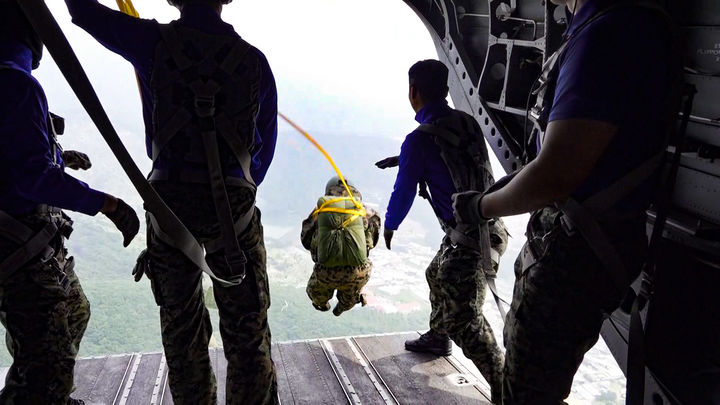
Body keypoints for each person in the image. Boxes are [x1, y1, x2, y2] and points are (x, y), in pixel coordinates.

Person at [452, 0, 676, 402]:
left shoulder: (607, 34)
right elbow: (552, 161)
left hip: (578, 252)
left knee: (529, 392)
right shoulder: (604, 26)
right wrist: (490, 195)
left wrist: (481, 209)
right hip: (579, 242)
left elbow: (555, 174)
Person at [63, 0, 279, 403]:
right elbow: (261, 155)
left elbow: (82, 11)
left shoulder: (152, 42)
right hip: (236, 214)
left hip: (169, 209)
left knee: (183, 333)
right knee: (248, 334)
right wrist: (229, 195)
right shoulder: (254, 63)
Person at [0, 2, 139, 403]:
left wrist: (60, 157)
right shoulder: (17, 85)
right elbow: (33, 179)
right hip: (18, 249)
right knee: (45, 363)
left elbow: (15, 158)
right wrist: (107, 204)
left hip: (21, 245)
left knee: (75, 311)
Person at [379, 59, 507, 403]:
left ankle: (508, 389)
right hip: (491, 226)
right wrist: (403, 158)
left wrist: (389, 226)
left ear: (413, 92)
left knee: (465, 319)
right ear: (447, 91)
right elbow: (456, 158)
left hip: (469, 237)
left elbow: (403, 191)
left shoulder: (418, 140)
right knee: (436, 272)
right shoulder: (466, 123)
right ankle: (438, 337)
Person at [301, 177, 381, 316]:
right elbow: (372, 242)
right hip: (357, 273)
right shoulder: (367, 212)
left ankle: (323, 305)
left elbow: (305, 241)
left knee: (315, 293)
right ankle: (342, 307)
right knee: (351, 294)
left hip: (325, 272)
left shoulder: (320, 211)